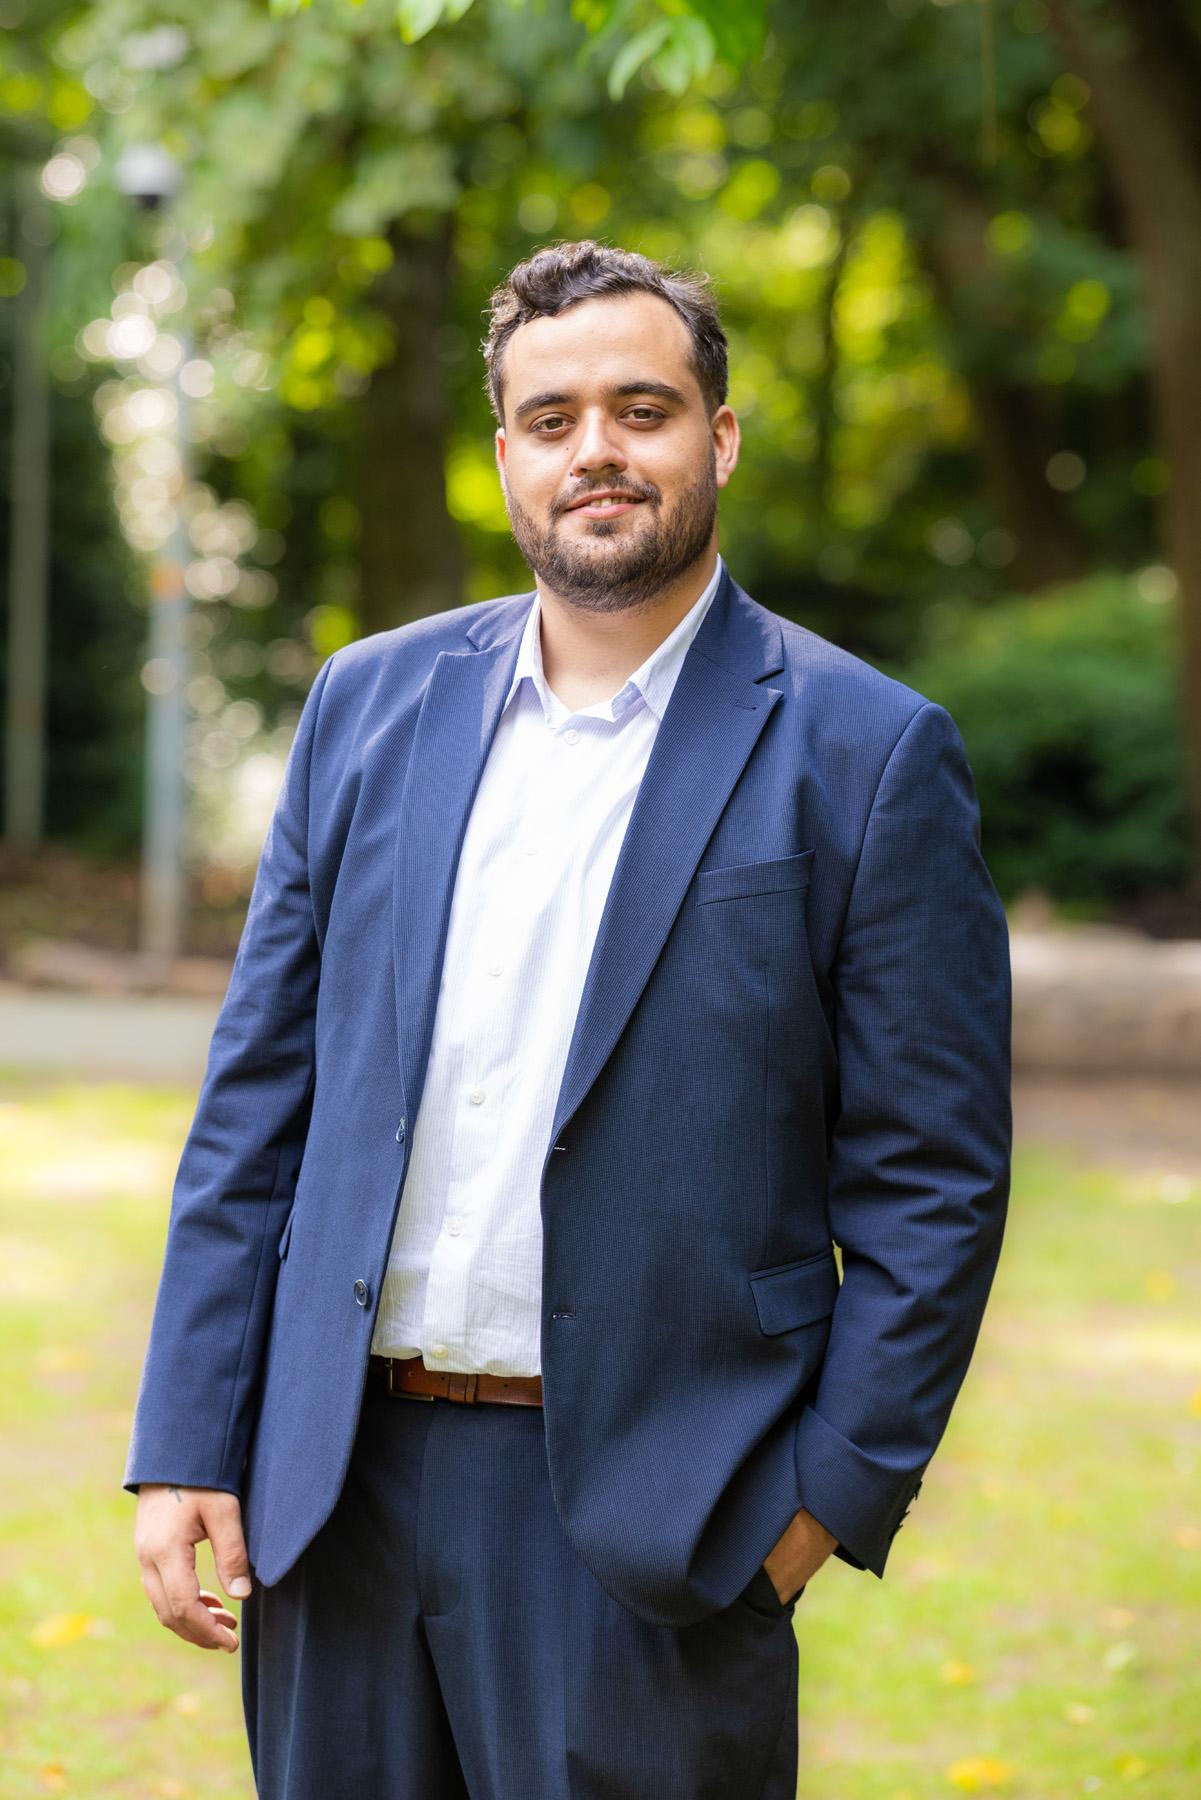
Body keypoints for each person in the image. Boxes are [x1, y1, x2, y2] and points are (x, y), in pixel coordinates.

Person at [126, 239, 1012, 1799]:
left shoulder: (866, 752)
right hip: (333, 1493)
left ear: (717, 437)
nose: (593, 449)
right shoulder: (366, 705)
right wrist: (192, 1435)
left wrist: (814, 1509)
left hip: (657, 1520)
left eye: (639, 409)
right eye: (551, 419)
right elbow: (257, 1103)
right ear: (504, 458)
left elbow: (931, 1181)